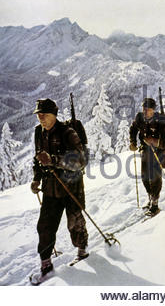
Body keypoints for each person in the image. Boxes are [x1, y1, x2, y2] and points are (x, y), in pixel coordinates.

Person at [30, 98, 88, 283]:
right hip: (50, 188)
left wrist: (54, 160)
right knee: (45, 226)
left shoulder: (67, 132)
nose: (41, 118)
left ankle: (82, 251)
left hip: (71, 186)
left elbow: (80, 160)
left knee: (75, 222)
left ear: (54, 115)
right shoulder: (39, 132)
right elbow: (38, 158)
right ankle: (46, 265)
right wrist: (36, 178)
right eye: (38, 114)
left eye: (44, 114)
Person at [129, 98, 165, 215]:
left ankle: (155, 203)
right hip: (145, 149)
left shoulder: (161, 121)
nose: (145, 111)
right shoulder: (140, 118)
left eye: (148, 109)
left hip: (159, 150)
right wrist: (132, 142)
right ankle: (150, 196)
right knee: (145, 176)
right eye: (144, 109)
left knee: (155, 177)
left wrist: (154, 141)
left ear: (153, 110)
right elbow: (133, 128)